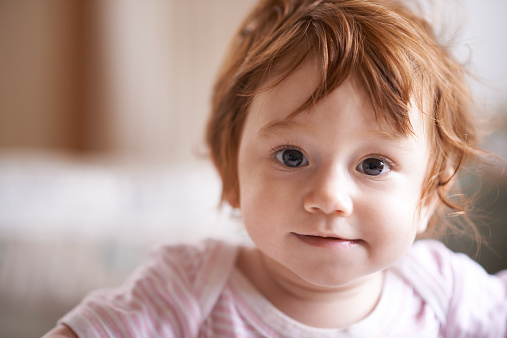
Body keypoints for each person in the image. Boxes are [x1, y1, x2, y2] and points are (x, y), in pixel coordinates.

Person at [45, 0, 507, 336]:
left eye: (373, 164)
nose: (329, 196)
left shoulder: (445, 294)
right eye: (292, 156)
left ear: (427, 195)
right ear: (231, 175)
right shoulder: (187, 291)